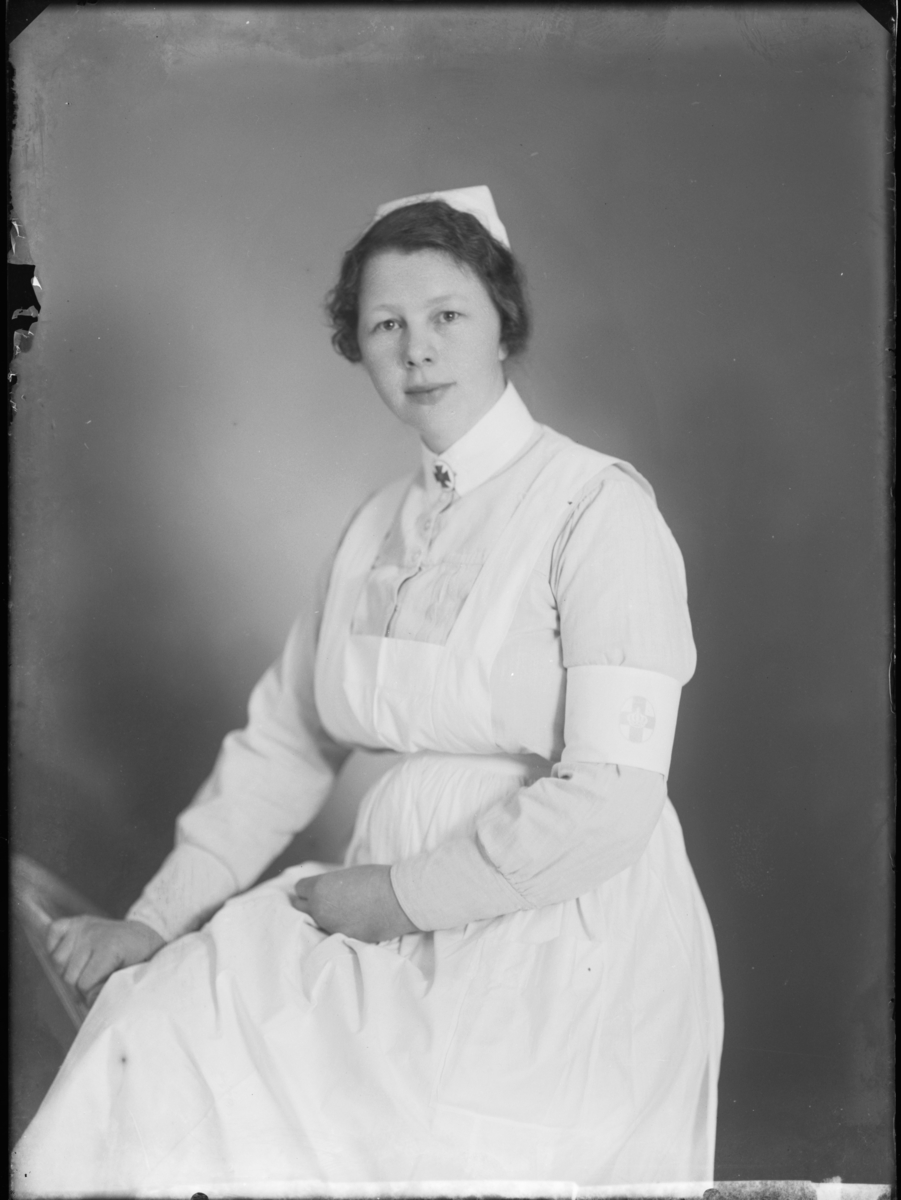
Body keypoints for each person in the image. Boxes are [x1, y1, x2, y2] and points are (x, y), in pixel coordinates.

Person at [12, 185, 723, 1195]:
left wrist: (396, 898)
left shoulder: (593, 509)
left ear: (502, 323)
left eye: (446, 316)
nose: (417, 350)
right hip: (379, 920)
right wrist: (154, 920)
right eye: (386, 325)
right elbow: (285, 743)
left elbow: (613, 798)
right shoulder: (373, 528)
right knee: (159, 1033)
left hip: (559, 942)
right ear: (357, 346)